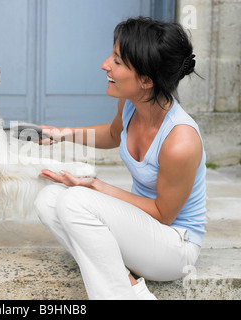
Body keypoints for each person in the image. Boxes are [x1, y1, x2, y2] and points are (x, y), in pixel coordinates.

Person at [34, 17, 206, 300]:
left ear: (146, 81)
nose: (105, 65)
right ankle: (129, 286)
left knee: (76, 200)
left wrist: (96, 185)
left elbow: (164, 215)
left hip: (175, 246)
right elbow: (114, 134)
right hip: (143, 230)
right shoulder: (129, 104)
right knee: (49, 198)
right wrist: (63, 133)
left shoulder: (180, 141)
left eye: (117, 60)